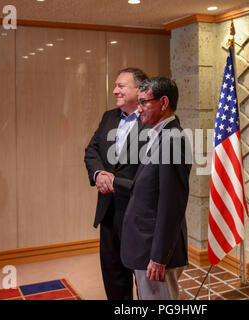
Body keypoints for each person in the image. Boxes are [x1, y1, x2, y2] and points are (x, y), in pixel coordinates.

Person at [114, 77, 192, 300]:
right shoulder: (160, 135)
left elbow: (172, 204)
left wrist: (159, 256)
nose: (138, 110)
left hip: (155, 252)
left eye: (143, 103)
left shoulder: (173, 140)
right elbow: (148, 189)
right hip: (146, 246)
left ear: (164, 102)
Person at [84, 67, 148, 300]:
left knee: (144, 279)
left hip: (139, 213)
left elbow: (152, 170)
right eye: (115, 86)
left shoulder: (152, 121)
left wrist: (117, 181)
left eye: (121, 86)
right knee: (113, 276)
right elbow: (92, 150)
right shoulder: (108, 117)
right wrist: (99, 173)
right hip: (109, 211)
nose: (115, 91)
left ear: (139, 89)